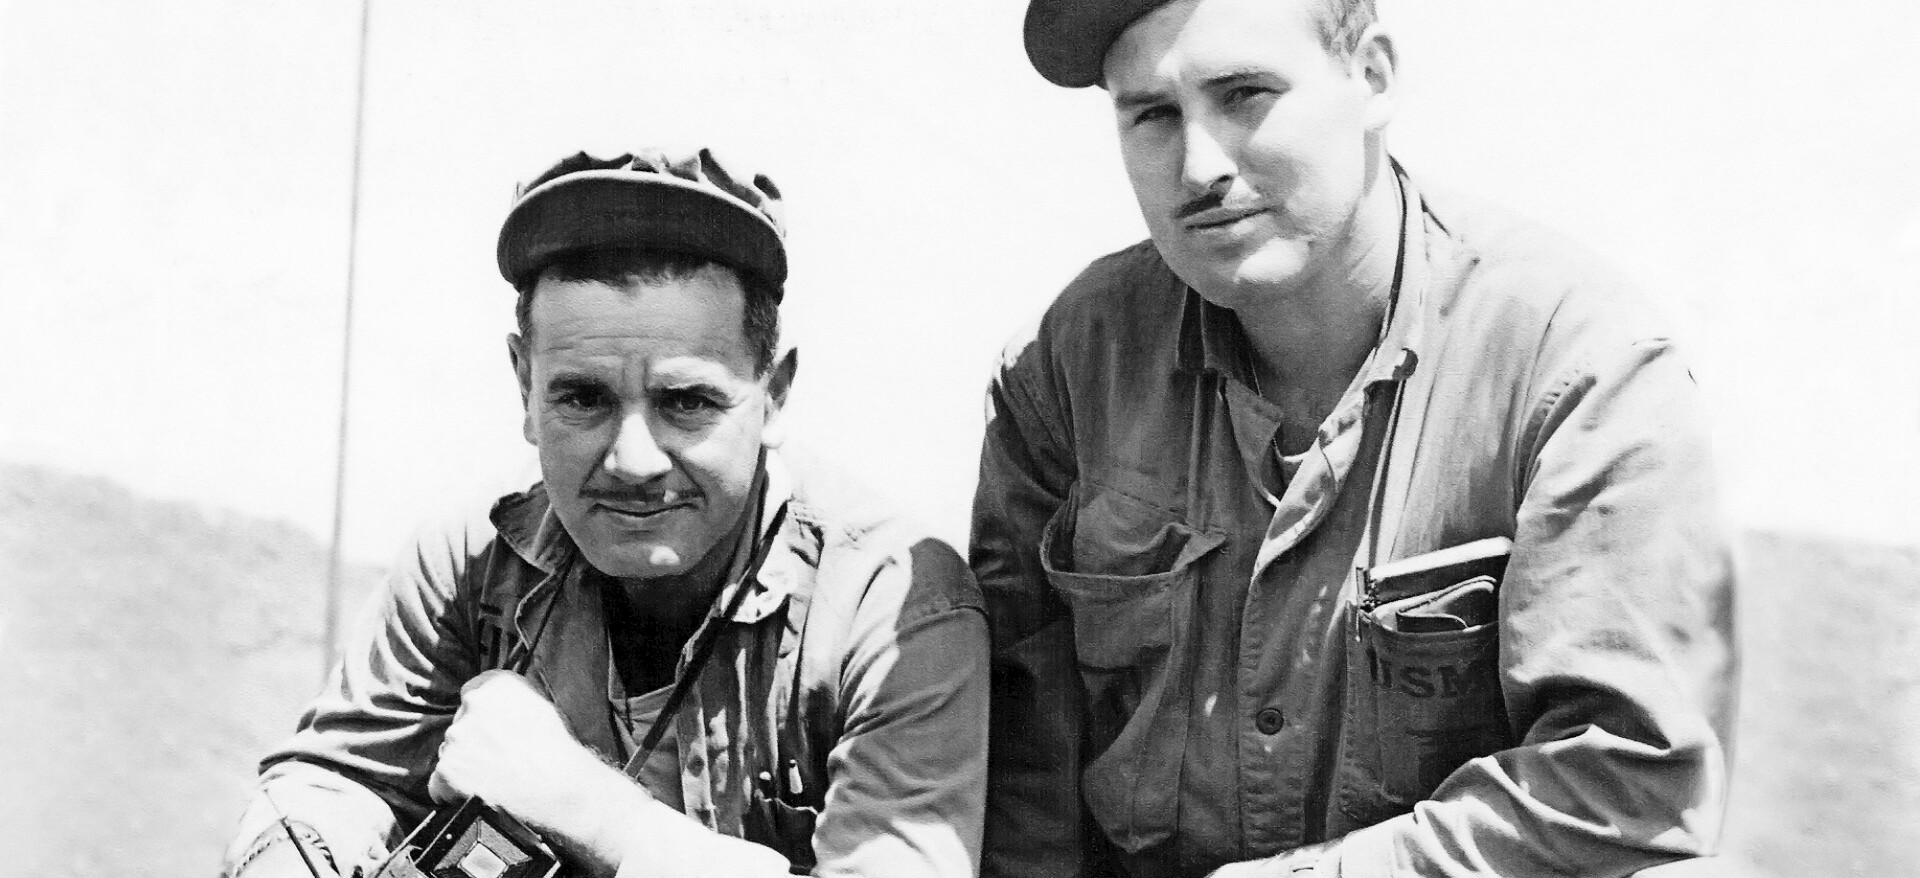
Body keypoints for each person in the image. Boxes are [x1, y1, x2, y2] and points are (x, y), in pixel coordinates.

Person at [972, 1, 1737, 876]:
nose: (1199, 166)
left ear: (1372, 77)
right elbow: (1021, 775)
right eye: (1153, 114)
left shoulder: (1579, 364)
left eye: (1245, 94)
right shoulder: (1072, 363)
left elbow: (1624, 787)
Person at [222, 148, 990, 878]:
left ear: (775, 393)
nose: (633, 461)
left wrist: (591, 811)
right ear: (524, 385)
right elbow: (329, 782)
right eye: (584, 398)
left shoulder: (892, 609)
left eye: (687, 402)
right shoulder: (467, 561)